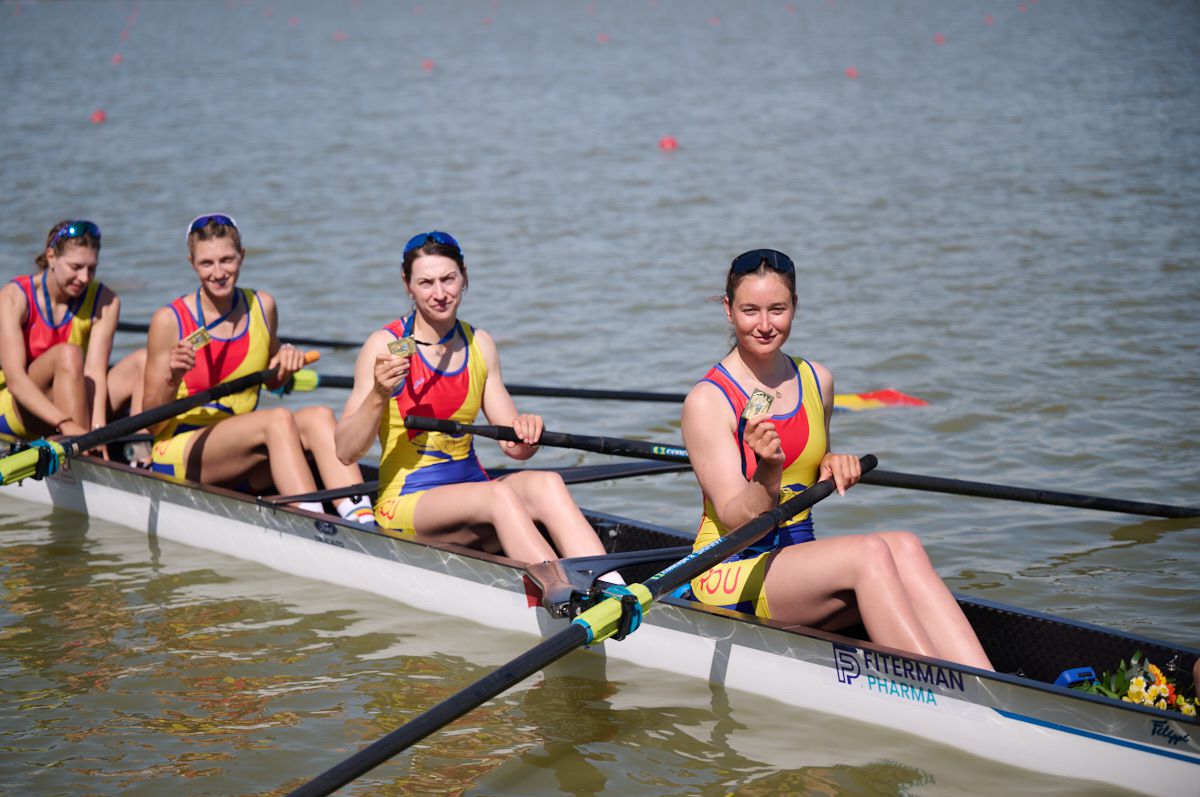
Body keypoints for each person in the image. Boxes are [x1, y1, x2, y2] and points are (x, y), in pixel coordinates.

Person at [681, 248, 993, 671]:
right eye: (750, 310)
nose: (765, 325)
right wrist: (768, 469)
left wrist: (831, 459)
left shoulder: (817, 380)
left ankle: (985, 685)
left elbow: (808, 462)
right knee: (868, 553)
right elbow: (738, 518)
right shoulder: (707, 401)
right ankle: (941, 690)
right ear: (728, 311)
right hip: (729, 568)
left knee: (904, 545)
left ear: (795, 307)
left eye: (778, 309)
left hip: (794, 561)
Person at [334, 231, 615, 568]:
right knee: (499, 495)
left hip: (475, 489)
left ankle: (613, 590)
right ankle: (564, 592)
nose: (439, 294)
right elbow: (345, 451)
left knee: (547, 482)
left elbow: (515, 448)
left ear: (464, 276)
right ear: (407, 284)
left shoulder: (479, 343)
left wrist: (528, 430)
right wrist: (379, 395)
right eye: (426, 283)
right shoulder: (385, 346)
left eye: (448, 279)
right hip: (406, 502)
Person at [141, 213, 374, 524]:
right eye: (206, 263)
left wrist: (285, 366)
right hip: (180, 451)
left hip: (246, 446)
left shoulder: (262, 306)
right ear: (191, 263)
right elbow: (152, 425)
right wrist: (173, 377)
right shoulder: (169, 321)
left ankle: (363, 520)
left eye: (227, 260)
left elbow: (274, 383)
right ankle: (315, 525)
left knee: (319, 416)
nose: (219, 272)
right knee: (277, 420)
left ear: (243, 256)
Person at [0, 220, 139, 445]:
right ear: (52, 257)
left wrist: (97, 431)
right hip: (16, 410)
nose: (84, 278)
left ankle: (135, 451)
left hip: (72, 402)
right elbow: (15, 380)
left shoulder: (106, 301)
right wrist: (66, 424)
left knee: (139, 361)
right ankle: (79, 445)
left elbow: (95, 373)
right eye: (76, 267)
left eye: (91, 268)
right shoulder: (14, 297)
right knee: (69, 354)